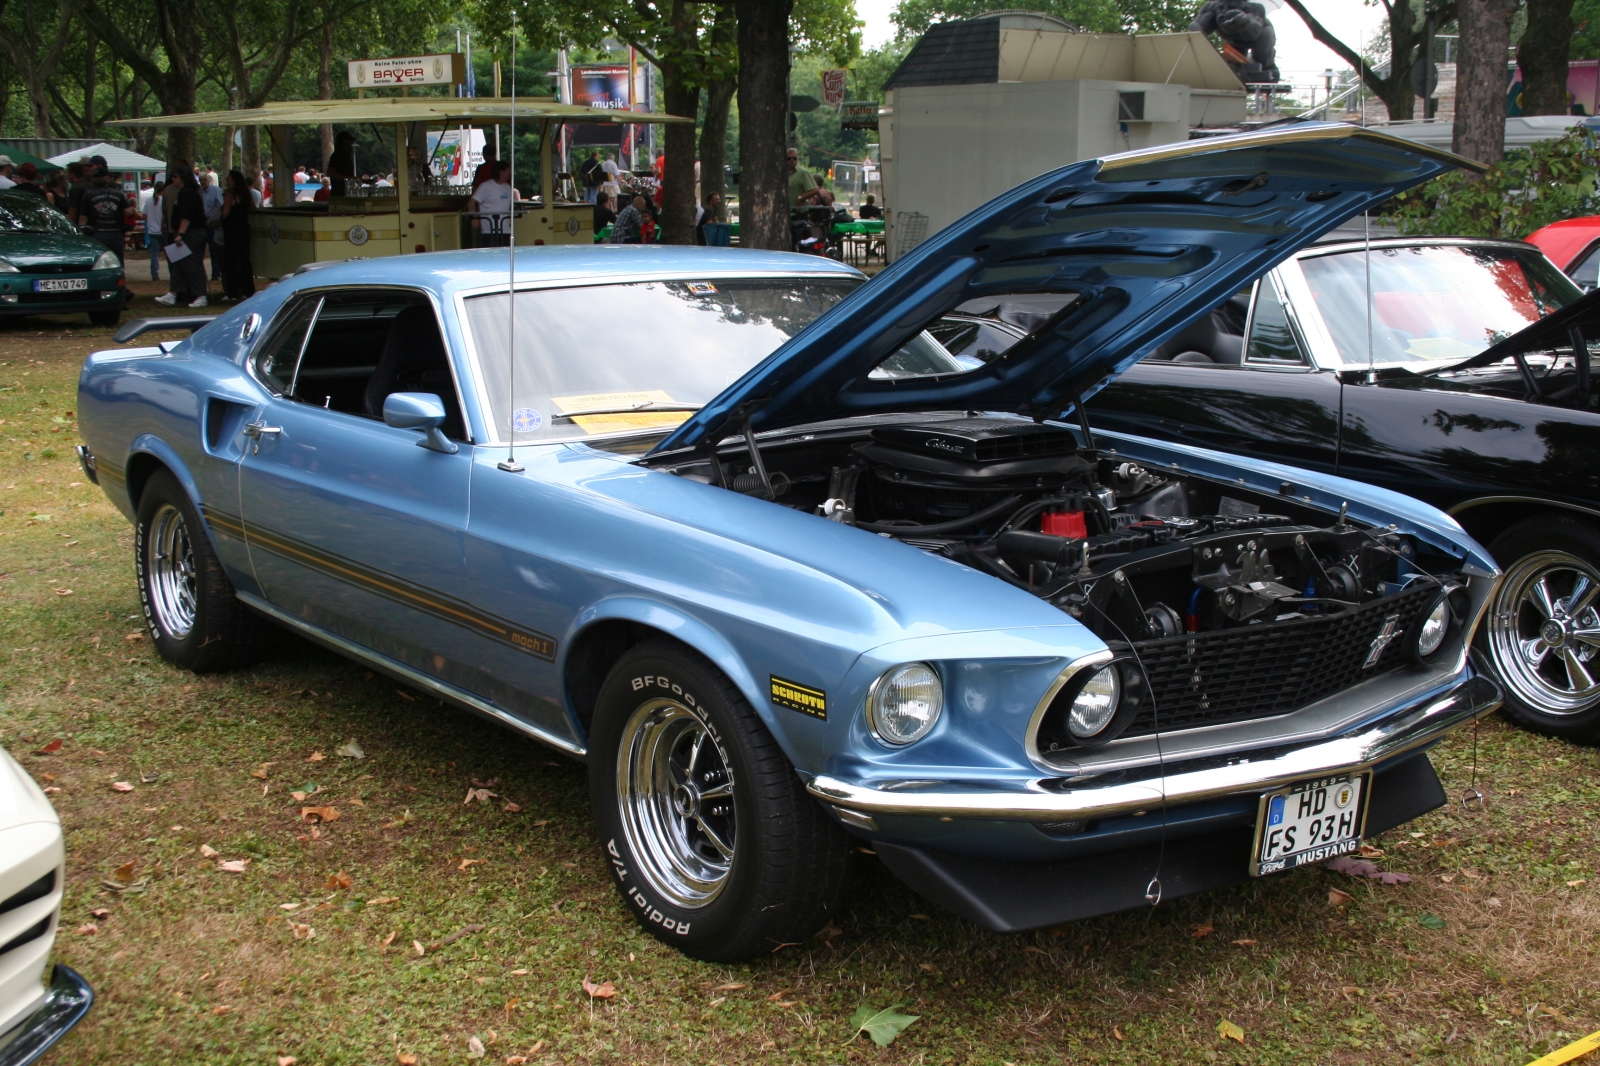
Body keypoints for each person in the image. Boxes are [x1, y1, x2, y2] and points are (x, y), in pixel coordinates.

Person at [154, 167, 209, 308]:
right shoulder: (183, 192)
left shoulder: (188, 193)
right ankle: (173, 294)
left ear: (183, 177)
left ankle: (201, 295)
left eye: (175, 176)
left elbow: (187, 216)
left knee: (193, 265)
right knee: (178, 264)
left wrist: (180, 233)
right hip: (187, 233)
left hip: (192, 234)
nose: (173, 179)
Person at [79, 166, 133, 264]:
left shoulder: (88, 194)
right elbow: (128, 212)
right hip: (115, 233)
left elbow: (83, 218)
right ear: (106, 178)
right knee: (117, 262)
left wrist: (82, 234)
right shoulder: (118, 193)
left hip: (96, 234)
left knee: (97, 263)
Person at [220, 169, 255, 302]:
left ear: (233, 181)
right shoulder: (246, 194)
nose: (226, 180)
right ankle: (248, 290)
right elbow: (253, 209)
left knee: (232, 261)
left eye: (228, 178)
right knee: (245, 260)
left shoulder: (229, 194)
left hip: (232, 230)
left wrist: (218, 220)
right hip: (244, 229)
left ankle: (233, 292)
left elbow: (225, 212)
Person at [468, 161, 514, 246]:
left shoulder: (507, 187)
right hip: (489, 230)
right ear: (501, 171)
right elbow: (471, 203)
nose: (510, 172)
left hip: (506, 229)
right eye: (508, 170)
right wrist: (474, 218)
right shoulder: (486, 186)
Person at [201, 170, 225, 281]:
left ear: (209, 180)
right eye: (201, 180)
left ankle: (216, 273)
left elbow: (220, 205)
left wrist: (215, 220)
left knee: (213, 249)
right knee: (200, 249)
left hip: (211, 222)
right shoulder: (199, 191)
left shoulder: (216, 190)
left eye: (204, 180)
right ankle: (201, 274)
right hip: (201, 223)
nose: (202, 182)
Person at [143, 178, 165, 280]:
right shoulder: (164, 201)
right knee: (170, 252)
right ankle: (173, 271)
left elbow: (144, 215)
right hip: (163, 229)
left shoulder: (148, 201)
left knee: (154, 253)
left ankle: (154, 274)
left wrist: (149, 224)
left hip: (152, 230)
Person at [326, 131, 357, 196]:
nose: (352, 142)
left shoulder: (346, 155)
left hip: (347, 191)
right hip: (339, 192)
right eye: (350, 140)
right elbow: (330, 173)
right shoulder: (337, 155)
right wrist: (349, 178)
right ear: (344, 141)